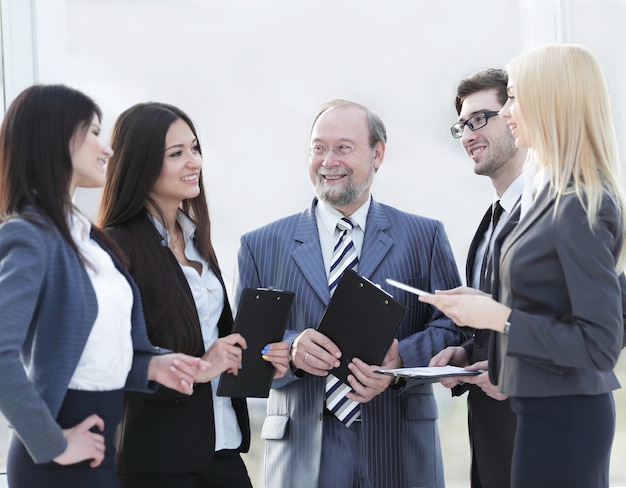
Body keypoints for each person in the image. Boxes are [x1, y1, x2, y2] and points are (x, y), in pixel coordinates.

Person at [420, 44, 626, 488]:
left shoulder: (578, 204)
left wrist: (496, 316)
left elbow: (600, 342)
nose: (510, 110)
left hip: (563, 417)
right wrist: (487, 344)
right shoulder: (552, 200)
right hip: (541, 410)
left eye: (513, 97)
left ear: (550, 100)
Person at [234, 98, 466, 488]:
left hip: (400, 447)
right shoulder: (261, 245)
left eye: (343, 147)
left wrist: (400, 361)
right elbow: (243, 354)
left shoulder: (424, 237)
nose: (328, 160)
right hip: (302, 454)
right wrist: (291, 350)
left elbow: (454, 329)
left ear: (378, 154)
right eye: (319, 148)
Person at [0, 84, 207, 488]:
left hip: (100, 448)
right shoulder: (29, 235)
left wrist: (152, 364)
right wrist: (53, 444)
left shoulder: (88, 240)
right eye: (93, 132)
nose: (106, 148)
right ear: (56, 138)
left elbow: (98, 348)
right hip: (57, 458)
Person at [97, 101, 290, 488]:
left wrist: (258, 359)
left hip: (223, 446)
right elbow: (113, 360)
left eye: (195, 148)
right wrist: (201, 365)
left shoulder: (197, 239)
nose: (194, 161)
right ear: (140, 163)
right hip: (159, 459)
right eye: (177, 153)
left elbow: (212, 335)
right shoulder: (116, 247)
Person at [429, 68, 525, 488]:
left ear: (517, 114)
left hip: (541, 436)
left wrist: (517, 373)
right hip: (489, 443)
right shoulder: (486, 225)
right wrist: (466, 355)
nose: (468, 134)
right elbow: (493, 328)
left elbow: (592, 324)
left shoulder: (558, 209)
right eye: (462, 126)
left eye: (480, 119)